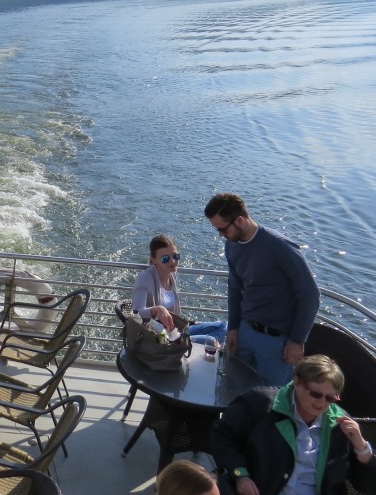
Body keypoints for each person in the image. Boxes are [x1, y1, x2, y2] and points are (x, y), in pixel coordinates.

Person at [211, 354, 376, 495]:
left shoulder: (342, 426)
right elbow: (222, 435)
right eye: (316, 394)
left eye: (330, 398)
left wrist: (362, 448)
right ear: (297, 383)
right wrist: (240, 475)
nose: (322, 403)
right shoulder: (261, 403)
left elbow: (367, 486)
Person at [204, 193, 320, 385]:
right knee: (230, 389)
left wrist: (297, 339)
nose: (221, 236)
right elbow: (235, 289)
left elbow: (310, 295)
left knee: (270, 401)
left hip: (276, 343)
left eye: (223, 230)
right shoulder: (231, 246)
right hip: (244, 333)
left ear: (240, 220)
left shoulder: (280, 247)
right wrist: (233, 328)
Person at [133, 234, 227, 344]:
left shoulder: (172, 273)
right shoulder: (145, 278)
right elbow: (136, 312)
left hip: (175, 331)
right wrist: (156, 309)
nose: (172, 262)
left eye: (175, 256)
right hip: (160, 338)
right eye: (165, 258)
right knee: (211, 341)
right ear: (154, 260)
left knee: (223, 326)